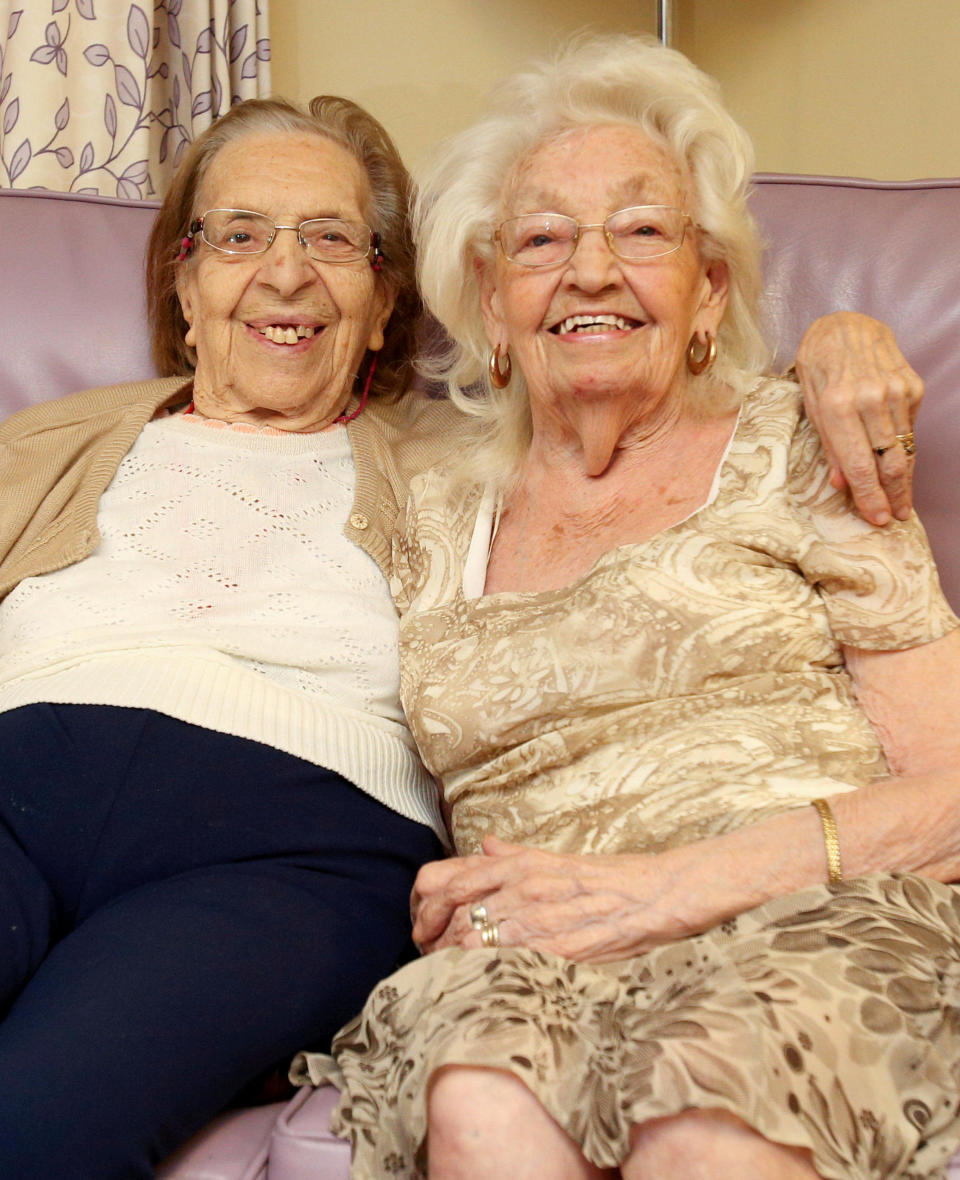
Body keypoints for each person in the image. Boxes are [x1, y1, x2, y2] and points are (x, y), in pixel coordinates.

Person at [291, 36, 960, 1180]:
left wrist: (658, 893)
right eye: (543, 239)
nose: (591, 270)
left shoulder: (807, 441)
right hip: (527, 952)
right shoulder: (420, 497)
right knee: (480, 1103)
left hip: (806, 917)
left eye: (643, 231)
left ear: (709, 290)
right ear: (491, 305)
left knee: (704, 1112)